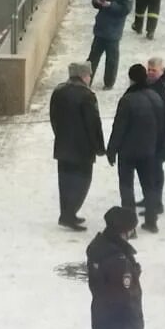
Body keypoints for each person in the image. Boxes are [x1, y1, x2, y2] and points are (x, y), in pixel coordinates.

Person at [107, 64, 165, 233]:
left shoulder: (128, 100)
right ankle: (151, 221)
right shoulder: (155, 97)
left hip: (128, 151)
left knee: (127, 188)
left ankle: (128, 226)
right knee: (149, 186)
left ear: (131, 78)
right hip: (149, 150)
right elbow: (161, 126)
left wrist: (112, 150)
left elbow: (119, 128)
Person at [50, 61, 106, 230]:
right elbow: (93, 124)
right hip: (82, 148)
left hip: (63, 145)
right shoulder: (87, 95)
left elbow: (53, 117)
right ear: (83, 76)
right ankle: (69, 214)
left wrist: (59, 135)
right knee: (82, 181)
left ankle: (66, 213)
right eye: (89, 75)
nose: (90, 78)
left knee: (65, 181)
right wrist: (99, 146)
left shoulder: (58, 91)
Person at [145, 56, 165, 219]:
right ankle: (148, 198)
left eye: (154, 70)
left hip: (160, 135)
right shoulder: (148, 83)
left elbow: (164, 112)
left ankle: (156, 203)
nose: (150, 73)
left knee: (156, 170)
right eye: (149, 70)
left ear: (162, 71)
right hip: (147, 134)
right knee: (147, 170)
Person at [88, 0, 132, 90]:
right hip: (101, 28)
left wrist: (110, 5)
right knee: (93, 57)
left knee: (111, 59)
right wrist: (97, 1)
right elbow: (94, 0)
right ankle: (87, 80)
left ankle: (109, 82)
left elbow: (126, 9)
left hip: (114, 30)